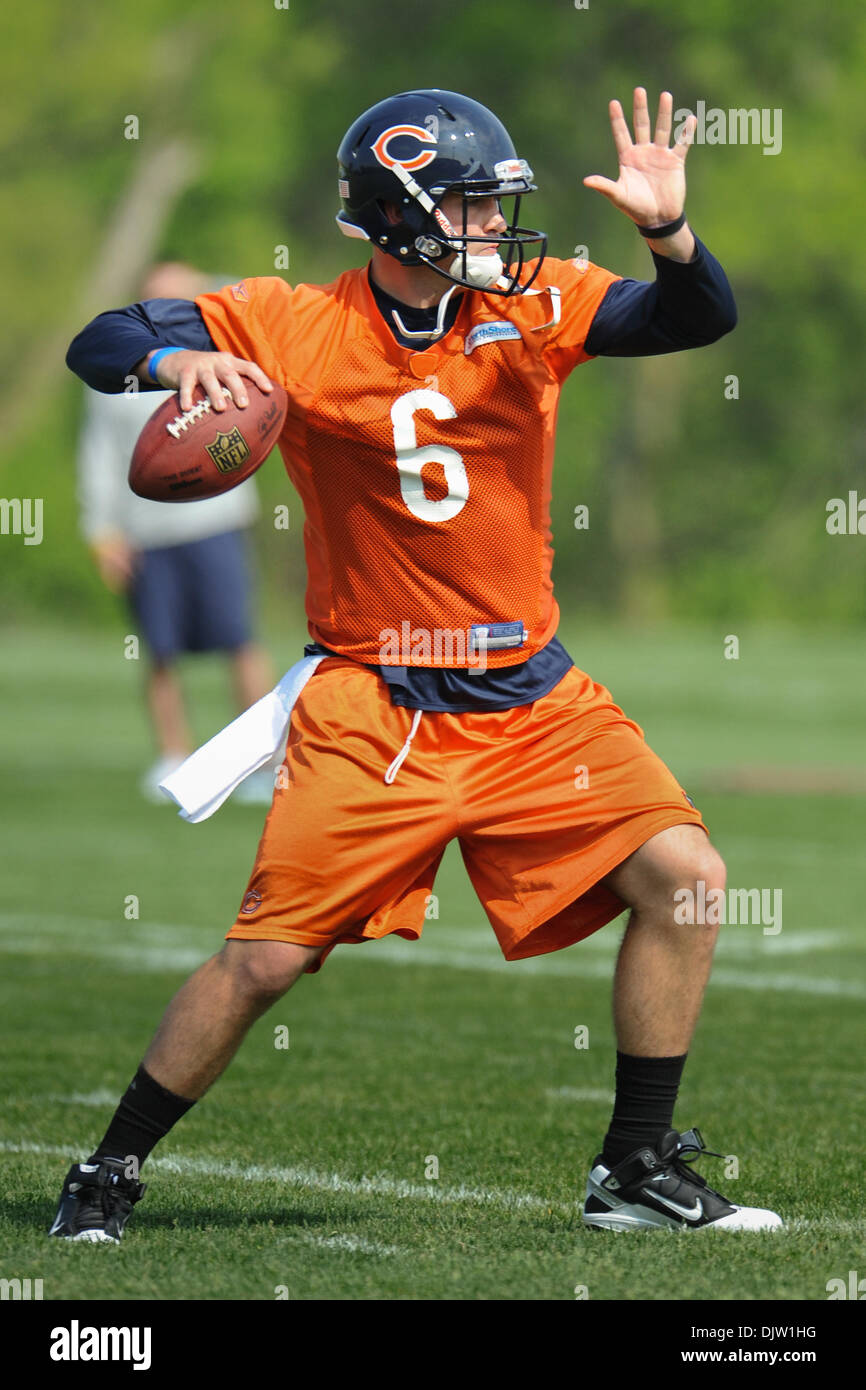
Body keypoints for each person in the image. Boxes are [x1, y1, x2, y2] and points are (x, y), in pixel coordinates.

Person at [52, 87, 782, 1242]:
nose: (496, 224)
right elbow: (105, 342)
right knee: (263, 966)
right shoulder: (296, 322)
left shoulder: (535, 305)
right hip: (373, 702)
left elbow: (692, 316)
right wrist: (176, 366)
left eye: (496, 204)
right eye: (471, 204)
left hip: (531, 694)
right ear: (399, 220)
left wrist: (666, 232)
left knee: (686, 876)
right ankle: (106, 1172)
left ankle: (633, 1168)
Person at [77, 261, 275, 802]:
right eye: (152, 299)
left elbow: (251, 303)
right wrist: (102, 531)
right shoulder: (122, 371)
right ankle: (174, 757)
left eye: (176, 300)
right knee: (160, 651)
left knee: (239, 640)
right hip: (146, 532)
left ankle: (260, 765)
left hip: (214, 523)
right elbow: (97, 456)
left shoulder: (225, 362)